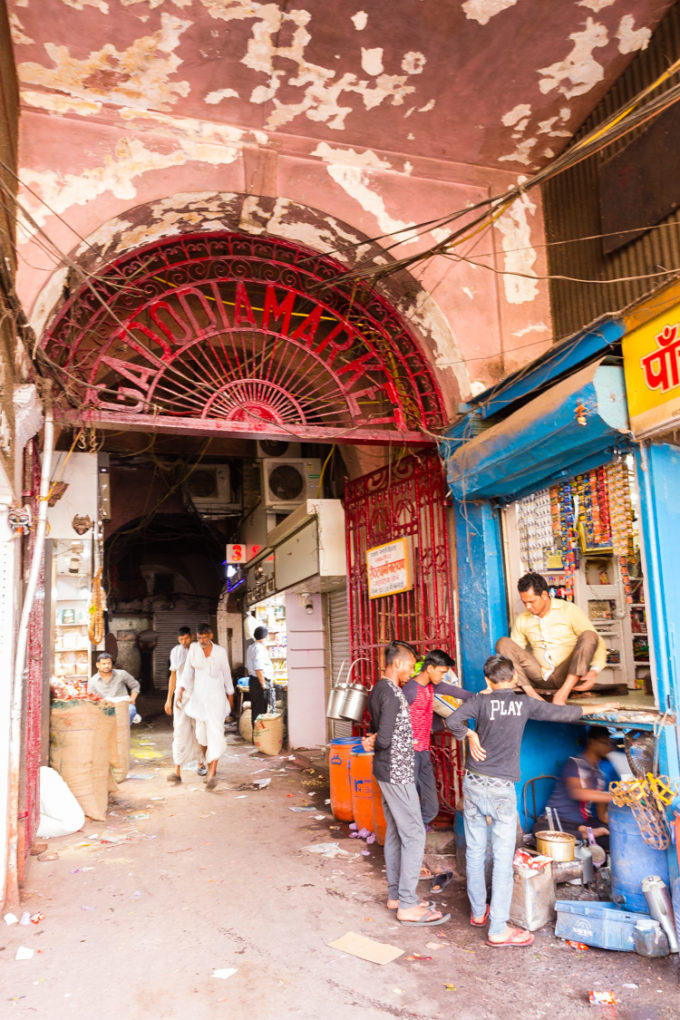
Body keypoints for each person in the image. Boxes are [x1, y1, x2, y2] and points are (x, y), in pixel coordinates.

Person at [445, 654, 619, 948]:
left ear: (488, 680)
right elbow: (561, 713)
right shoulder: (523, 703)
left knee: (475, 850)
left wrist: (470, 734)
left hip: (473, 783)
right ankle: (497, 930)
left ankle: (478, 913)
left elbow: (452, 720)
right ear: (513, 679)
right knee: (502, 859)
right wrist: (600, 707)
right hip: (500, 789)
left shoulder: (481, 700)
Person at [363, 640, 450, 927]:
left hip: (387, 771)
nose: (412, 670)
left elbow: (379, 732)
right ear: (397, 663)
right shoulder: (393, 693)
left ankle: (396, 896)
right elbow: (385, 738)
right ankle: (408, 904)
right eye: (411, 665)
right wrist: (378, 741)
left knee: (398, 833)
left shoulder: (377, 689)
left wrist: (376, 739)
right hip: (397, 771)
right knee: (413, 833)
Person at [496, 571, 607, 705]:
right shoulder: (523, 619)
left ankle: (563, 693)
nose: (528, 607)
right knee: (503, 643)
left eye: (532, 602)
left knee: (589, 635)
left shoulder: (569, 610)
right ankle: (532, 694)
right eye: (524, 603)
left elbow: (597, 642)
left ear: (544, 595)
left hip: (568, 674)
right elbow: (513, 654)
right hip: (539, 676)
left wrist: (594, 671)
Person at [402, 648, 473, 827]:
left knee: (431, 805)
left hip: (423, 751)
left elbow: (458, 693)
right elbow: (395, 719)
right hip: (408, 753)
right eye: (441, 672)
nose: (443, 676)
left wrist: (482, 698)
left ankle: (416, 831)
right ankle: (409, 835)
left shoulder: (433, 686)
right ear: (430, 668)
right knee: (407, 801)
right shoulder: (410, 690)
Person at [533, 725, 614, 851]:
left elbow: (602, 815)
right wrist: (615, 796)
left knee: (613, 839)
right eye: (605, 743)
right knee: (542, 831)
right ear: (592, 741)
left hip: (581, 824)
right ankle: (584, 834)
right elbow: (577, 792)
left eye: (610, 744)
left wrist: (619, 827)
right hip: (557, 821)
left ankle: (584, 834)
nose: (609, 747)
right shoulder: (574, 764)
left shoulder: (600, 776)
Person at [176, 624, 234, 791]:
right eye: (199, 638)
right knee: (202, 736)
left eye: (205, 637)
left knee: (215, 734)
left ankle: (211, 773)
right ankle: (210, 763)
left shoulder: (220, 652)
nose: (202, 641)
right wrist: (181, 688)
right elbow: (187, 672)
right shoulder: (194, 650)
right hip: (200, 699)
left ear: (211, 635)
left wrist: (230, 696)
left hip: (216, 699)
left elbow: (226, 673)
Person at [165, 626, 205, 783]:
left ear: (192, 637)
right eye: (181, 639)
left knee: (199, 731)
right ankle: (177, 770)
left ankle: (201, 764)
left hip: (198, 696)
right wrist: (169, 699)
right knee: (180, 731)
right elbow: (173, 676)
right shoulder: (176, 651)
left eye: (186, 639)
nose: (183, 642)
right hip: (181, 697)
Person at [87, 652, 141, 724]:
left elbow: (135, 685)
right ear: (98, 665)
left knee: (131, 710)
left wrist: (132, 698)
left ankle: (124, 730)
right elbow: (91, 698)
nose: (107, 666)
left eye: (109, 663)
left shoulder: (122, 674)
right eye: (104, 664)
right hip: (105, 707)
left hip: (123, 703)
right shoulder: (92, 681)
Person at [245, 625, 274, 738]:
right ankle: (261, 738)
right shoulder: (259, 649)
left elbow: (249, 666)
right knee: (261, 711)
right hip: (259, 682)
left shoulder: (251, 647)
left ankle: (257, 737)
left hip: (253, 681)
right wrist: (263, 685)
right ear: (264, 636)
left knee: (256, 710)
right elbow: (258, 668)